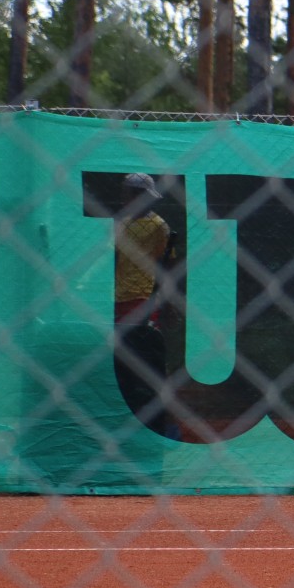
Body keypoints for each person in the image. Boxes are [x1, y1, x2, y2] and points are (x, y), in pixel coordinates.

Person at [113, 172, 177, 440]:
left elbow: (166, 262)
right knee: (119, 354)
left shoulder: (159, 225)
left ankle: (154, 422)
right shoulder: (120, 224)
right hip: (116, 297)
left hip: (144, 297)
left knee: (143, 354)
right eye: (137, 195)